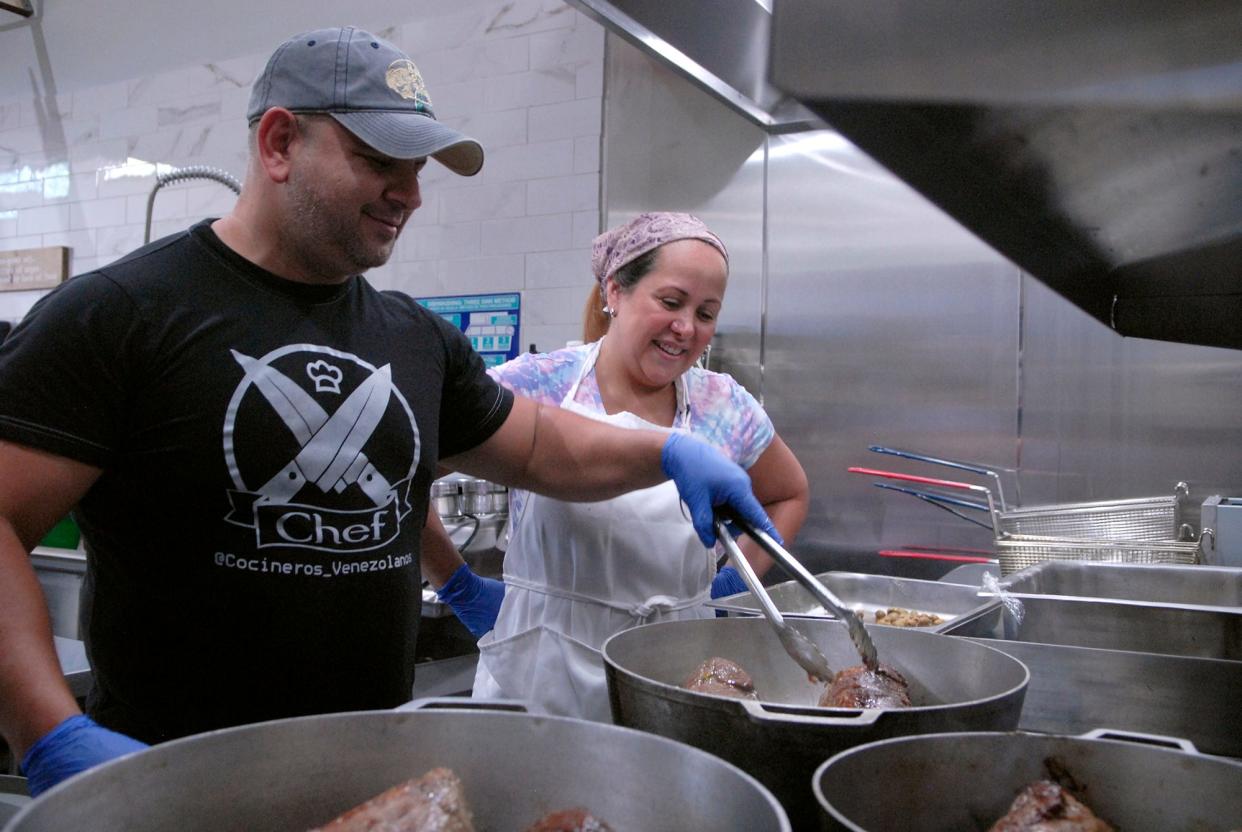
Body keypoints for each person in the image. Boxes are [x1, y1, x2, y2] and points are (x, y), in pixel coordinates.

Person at [0, 29, 778, 796]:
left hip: (367, 777)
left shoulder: (413, 338)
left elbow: (542, 448)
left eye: (415, 169)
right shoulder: (120, 315)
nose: (408, 193)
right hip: (168, 784)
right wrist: (45, 727)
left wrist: (666, 454)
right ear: (279, 142)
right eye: (377, 160)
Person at [421, 212, 810, 722]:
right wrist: (459, 586)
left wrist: (735, 584)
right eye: (670, 302)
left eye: (706, 312)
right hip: (543, 664)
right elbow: (403, 473)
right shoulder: (540, 385)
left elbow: (789, 494)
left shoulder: (724, 405)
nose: (686, 328)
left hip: (676, 665)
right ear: (615, 292)